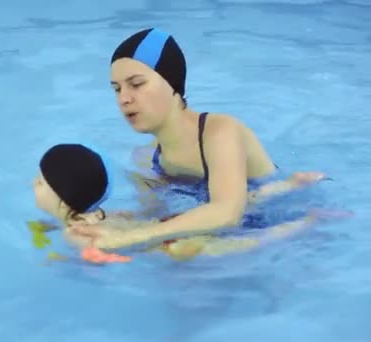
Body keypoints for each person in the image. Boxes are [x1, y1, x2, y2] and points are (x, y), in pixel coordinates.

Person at [68, 27, 302, 246]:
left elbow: (227, 212)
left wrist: (130, 238)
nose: (124, 98)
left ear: (173, 84)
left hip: (288, 223)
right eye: (117, 89)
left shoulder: (220, 132)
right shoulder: (145, 158)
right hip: (235, 237)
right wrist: (104, 221)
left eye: (136, 84)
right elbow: (157, 218)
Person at [32, 143, 330, 263]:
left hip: (168, 244)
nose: (33, 184)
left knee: (247, 244)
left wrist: (93, 258)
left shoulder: (73, 232)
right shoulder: (98, 213)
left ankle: (309, 222)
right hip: (164, 225)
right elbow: (124, 218)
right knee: (225, 207)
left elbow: (107, 248)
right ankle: (286, 186)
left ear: (63, 195)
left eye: (41, 182)